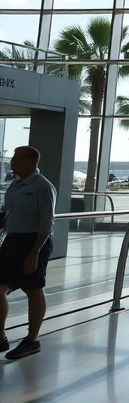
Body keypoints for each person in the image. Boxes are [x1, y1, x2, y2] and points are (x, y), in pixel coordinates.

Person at [0, 146, 57, 360]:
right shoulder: (14, 186)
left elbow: (47, 221)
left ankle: (32, 340)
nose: (12, 161)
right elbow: (8, 215)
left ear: (31, 161)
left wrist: (34, 253)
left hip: (34, 242)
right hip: (13, 241)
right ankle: (0, 337)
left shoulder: (43, 186)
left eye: (16, 157)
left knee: (33, 289)